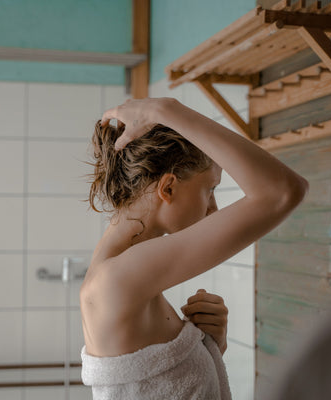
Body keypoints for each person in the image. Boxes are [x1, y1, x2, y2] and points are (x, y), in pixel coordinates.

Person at [80, 97, 308, 399]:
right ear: (168, 188)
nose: (213, 209)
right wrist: (165, 110)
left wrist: (211, 345)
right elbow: (282, 192)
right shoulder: (118, 279)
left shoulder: (122, 273)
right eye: (210, 190)